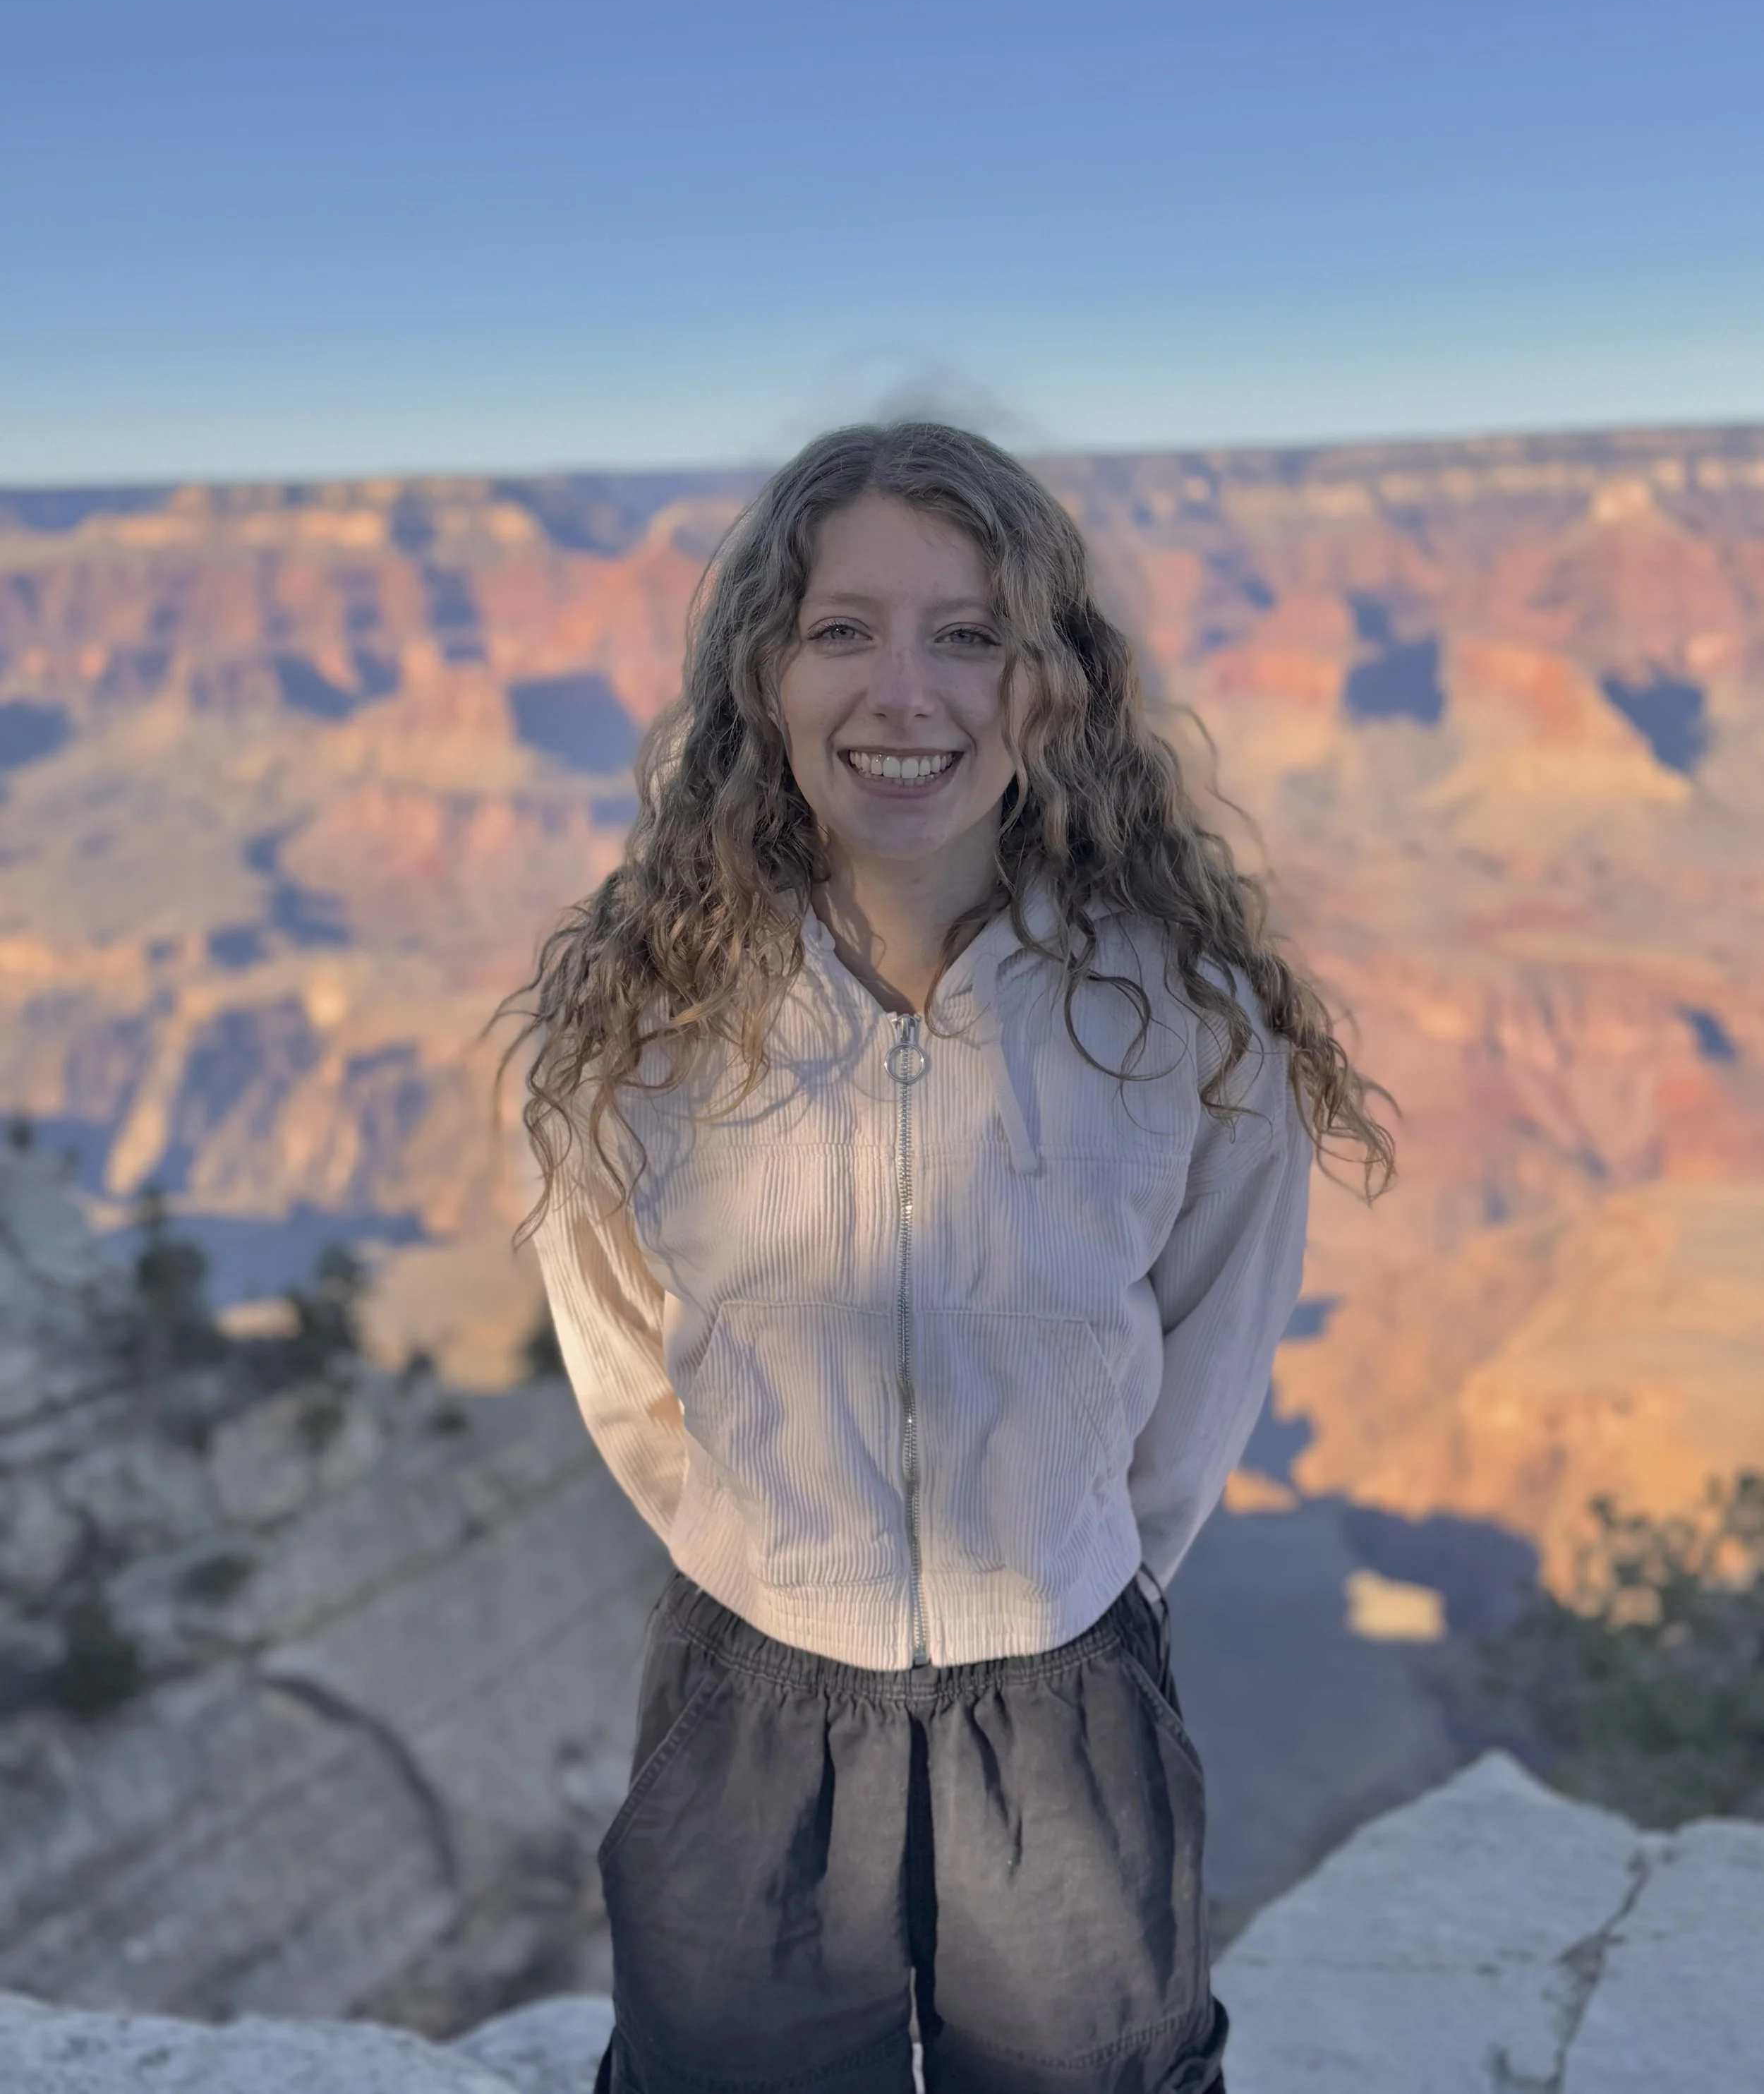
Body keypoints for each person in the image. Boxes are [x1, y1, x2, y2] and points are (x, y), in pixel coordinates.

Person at [500, 422, 1393, 2093]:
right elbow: (626, 1366)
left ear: (1049, 680)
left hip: (1063, 1694)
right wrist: (771, 1558)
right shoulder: (647, 1025)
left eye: (968, 633)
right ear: (764, 673)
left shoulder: (1183, 1024)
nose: (901, 694)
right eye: (842, 629)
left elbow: (1201, 1371)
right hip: (749, 1687)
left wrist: (1080, 1588)